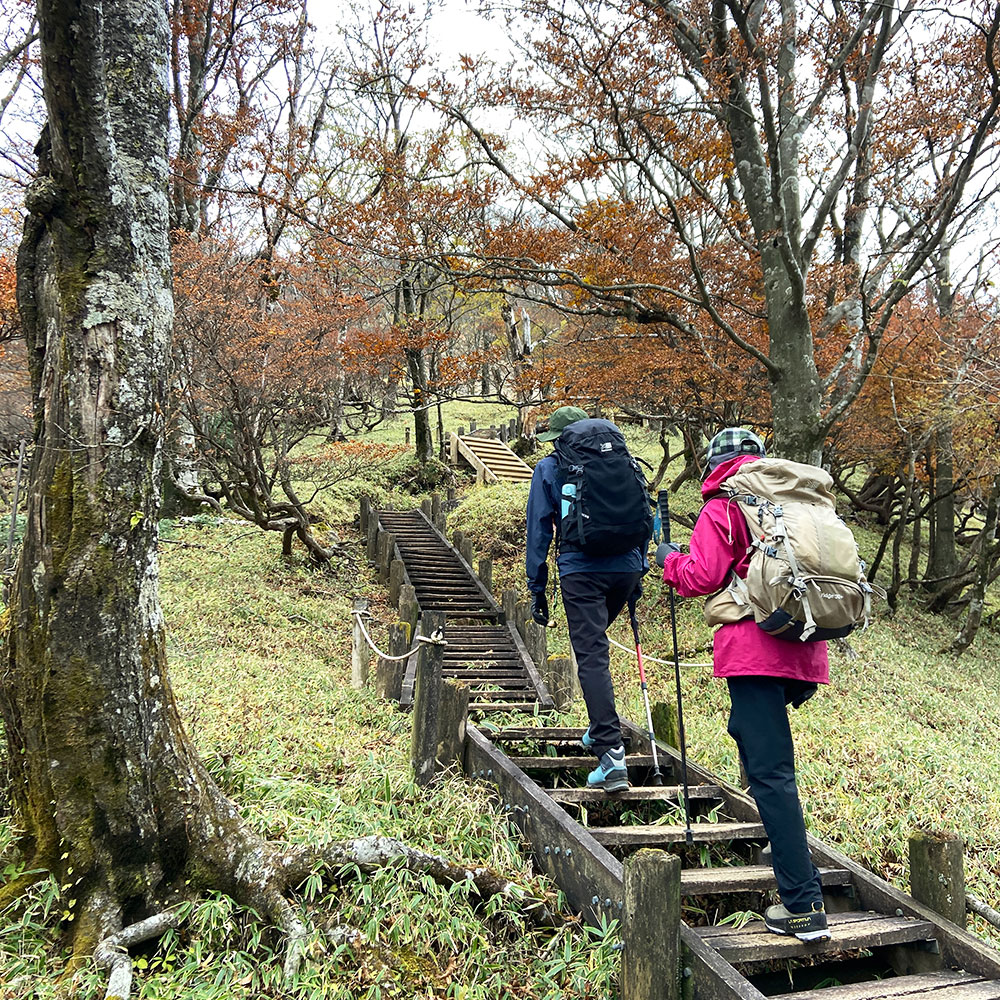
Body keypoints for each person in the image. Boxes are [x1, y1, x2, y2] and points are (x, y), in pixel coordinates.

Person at [658, 427, 831, 943]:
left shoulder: (725, 505)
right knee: (758, 751)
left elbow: (702, 577)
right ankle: (790, 858)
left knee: (773, 773)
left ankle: (803, 906)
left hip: (756, 651)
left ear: (715, 462)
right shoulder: (790, 501)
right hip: (804, 644)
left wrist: (669, 559)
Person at [525, 406, 646, 793]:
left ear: (560, 438)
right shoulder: (622, 459)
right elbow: (644, 515)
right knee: (594, 648)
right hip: (626, 567)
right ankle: (599, 730)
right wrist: (638, 571)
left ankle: (611, 756)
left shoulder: (550, 467)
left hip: (582, 569)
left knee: (591, 655)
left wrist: (537, 585)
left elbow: (539, 529)